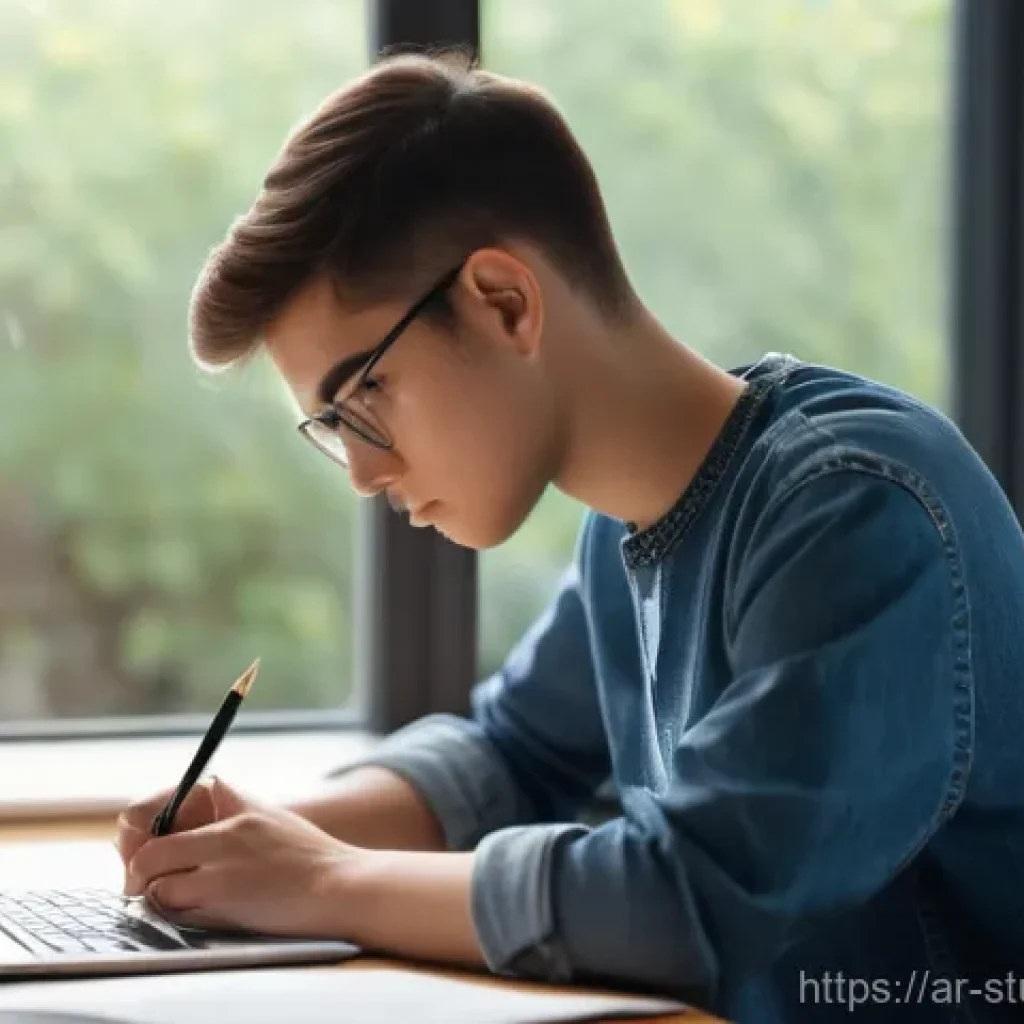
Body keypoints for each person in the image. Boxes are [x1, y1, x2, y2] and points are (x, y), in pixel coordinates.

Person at [116, 51, 1024, 1022]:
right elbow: (513, 757)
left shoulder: (855, 511)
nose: (368, 473)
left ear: (505, 301)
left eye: (363, 398)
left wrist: (323, 882)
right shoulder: (625, 528)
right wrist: (261, 839)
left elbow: (689, 897)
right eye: (332, 431)